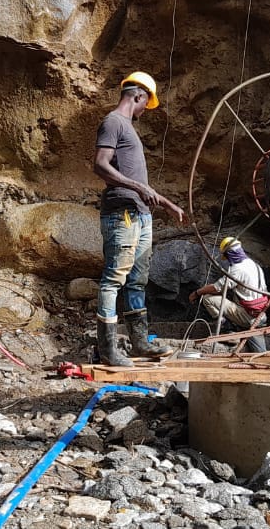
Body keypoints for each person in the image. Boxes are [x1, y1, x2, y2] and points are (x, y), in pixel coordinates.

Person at [92, 71, 185, 366]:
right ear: (138, 96)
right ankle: (108, 348)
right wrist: (138, 187)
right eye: (147, 103)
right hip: (123, 214)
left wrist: (168, 204)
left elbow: (137, 180)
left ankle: (140, 343)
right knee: (113, 279)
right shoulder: (113, 123)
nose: (146, 110)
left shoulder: (128, 129)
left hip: (141, 216)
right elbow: (100, 165)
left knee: (137, 281)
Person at [189, 236, 269, 353]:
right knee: (260, 352)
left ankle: (227, 329)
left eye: (226, 257)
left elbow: (217, 288)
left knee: (208, 298)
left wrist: (197, 293)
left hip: (247, 316)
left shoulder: (237, 269)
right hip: (260, 316)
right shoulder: (254, 265)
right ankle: (240, 329)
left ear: (230, 254)